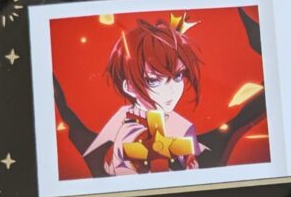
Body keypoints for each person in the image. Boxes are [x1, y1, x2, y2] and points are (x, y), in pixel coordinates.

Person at [85, 15, 204, 175]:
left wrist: (190, 161)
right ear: (129, 87)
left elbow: (186, 149)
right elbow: (123, 168)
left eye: (178, 76)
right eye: (153, 81)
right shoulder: (128, 130)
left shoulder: (180, 125)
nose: (171, 90)